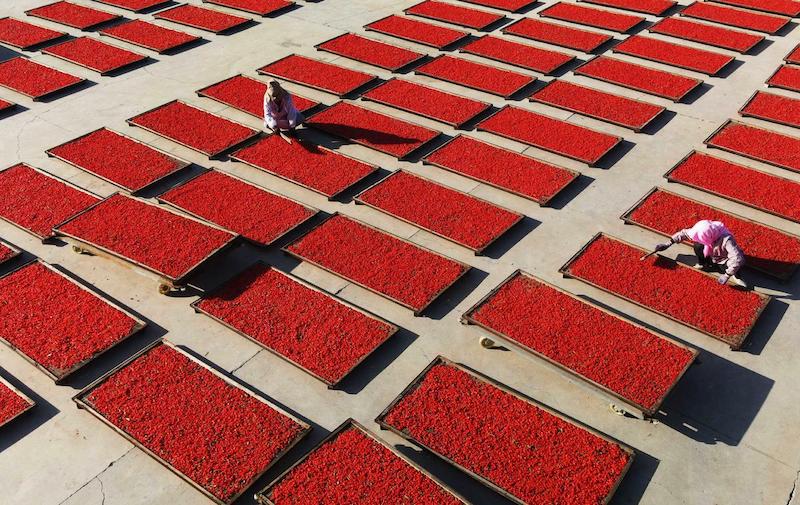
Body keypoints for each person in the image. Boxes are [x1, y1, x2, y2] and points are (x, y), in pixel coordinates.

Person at [654, 219, 748, 288]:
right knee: (698, 245)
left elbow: (737, 258)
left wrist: (727, 275)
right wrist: (667, 244)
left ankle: (736, 276)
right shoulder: (702, 230)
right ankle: (703, 263)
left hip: (723, 259)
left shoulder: (726, 239)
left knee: (735, 264)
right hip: (711, 255)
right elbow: (684, 234)